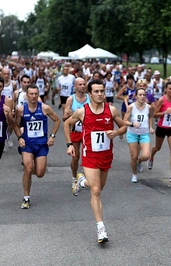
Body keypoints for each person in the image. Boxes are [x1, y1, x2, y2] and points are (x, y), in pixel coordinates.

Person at [65, 79, 126, 243]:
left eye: (102, 91)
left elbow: (123, 127)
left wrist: (116, 132)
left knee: (99, 188)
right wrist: (70, 144)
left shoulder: (111, 110)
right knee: (96, 190)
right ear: (89, 94)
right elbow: (66, 124)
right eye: (97, 92)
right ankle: (101, 229)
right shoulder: (82, 112)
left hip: (106, 156)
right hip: (89, 156)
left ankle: (81, 182)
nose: (100, 94)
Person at [14, 84, 61, 209]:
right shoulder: (21, 110)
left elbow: (57, 120)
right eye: (31, 94)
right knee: (28, 169)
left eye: (36, 94)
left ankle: (30, 167)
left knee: (40, 173)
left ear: (38, 94)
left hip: (41, 144)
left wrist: (52, 136)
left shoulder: (45, 108)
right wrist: (19, 137)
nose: (34, 96)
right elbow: (15, 125)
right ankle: (26, 198)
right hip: (27, 144)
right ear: (27, 95)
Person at [148, 81, 171, 182]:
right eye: (170, 89)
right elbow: (155, 114)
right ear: (166, 89)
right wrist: (164, 112)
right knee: (157, 148)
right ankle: (151, 156)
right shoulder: (161, 100)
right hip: (162, 127)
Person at [62, 77, 91, 189]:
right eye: (80, 84)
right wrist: (69, 114)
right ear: (75, 86)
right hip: (75, 131)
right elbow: (64, 118)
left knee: (88, 156)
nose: (82, 86)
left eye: (84, 84)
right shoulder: (71, 99)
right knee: (75, 157)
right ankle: (74, 177)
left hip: (87, 132)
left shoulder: (90, 98)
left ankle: (87, 177)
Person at [123, 86, 154, 183]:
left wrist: (151, 127)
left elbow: (150, 117)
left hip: (144, 134)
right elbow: (124, 121)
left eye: (144, 95)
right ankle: (134, 174)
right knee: (133, 157)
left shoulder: (149, 107)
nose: (142, 97)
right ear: (136, 96)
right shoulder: (131, 107)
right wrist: (132, 124)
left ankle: (139, 162)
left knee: (146, 156)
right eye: (140, 95)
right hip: (133, 134)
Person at [1, 68, 17, 149]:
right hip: (1, 106)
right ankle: (3, 140)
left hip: (10, 106)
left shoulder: (13, 83)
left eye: (8, 74)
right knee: (3, 124)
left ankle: (8, 137)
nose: (6, 75)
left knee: (11, 124)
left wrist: (14, 107)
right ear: (2, 74)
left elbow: (15, 96)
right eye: (5, 74)